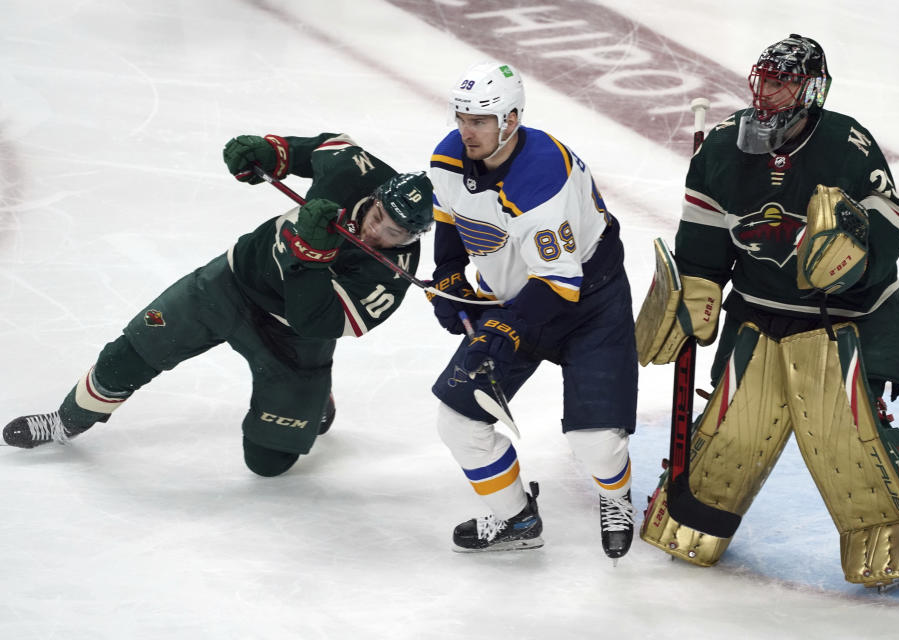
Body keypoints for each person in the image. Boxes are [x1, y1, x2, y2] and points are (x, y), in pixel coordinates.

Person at [634, 35, 899, 589]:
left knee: (844, 434)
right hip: (758, 312)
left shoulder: (849, 145)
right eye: (765, 81)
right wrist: (692, 294)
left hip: (846, 317)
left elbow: (890, 230)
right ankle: (692, 519)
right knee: (734, 435)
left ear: (811, 88)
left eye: (783, 83)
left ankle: (896, 537)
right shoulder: (724, 148)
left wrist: (854, 255)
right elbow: (702, 245)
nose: (769, 94)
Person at [4, 132, 433, 478]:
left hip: (293, 336)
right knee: (131, 352)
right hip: (230, 283)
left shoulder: (390, 277)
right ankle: (65, 422)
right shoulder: (354, 170)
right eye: (379, 218)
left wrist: (311, 257)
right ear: (376, 195)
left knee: (267, 464)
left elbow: (313, 320)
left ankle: (317, 395)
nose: (378, 235)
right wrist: (272, 153)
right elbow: (318, 148)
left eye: (395, 234)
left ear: (412, 238)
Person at [427, 61, 638, 559]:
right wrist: (449, 274)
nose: (466, 131)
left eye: (480, 121)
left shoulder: (544, 179)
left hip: (589, 303)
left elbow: (559, 285)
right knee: (458, 421)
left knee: (596, 444)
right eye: (462, 117)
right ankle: (516, 519)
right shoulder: (449, 156)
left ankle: (617, 495)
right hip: (518, 300)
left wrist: (501, 327)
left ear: (512, 119)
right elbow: (449, 216)